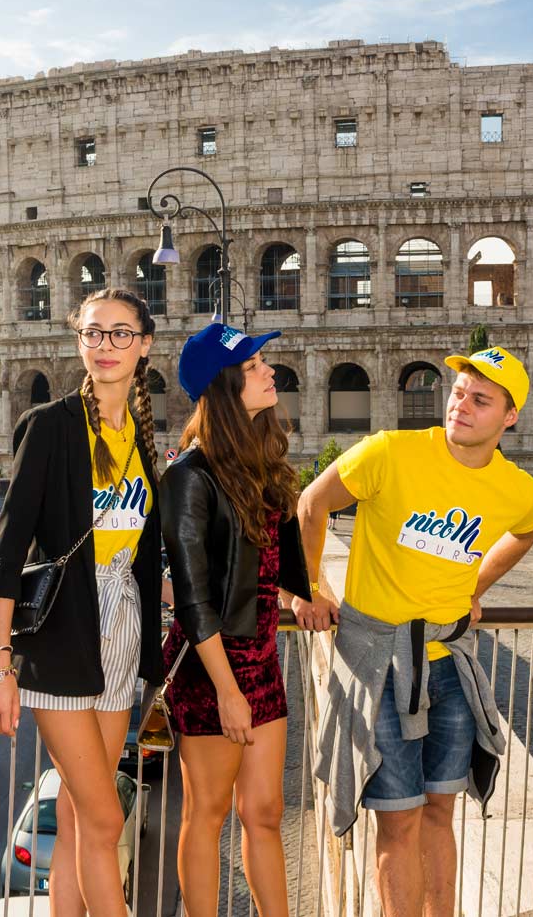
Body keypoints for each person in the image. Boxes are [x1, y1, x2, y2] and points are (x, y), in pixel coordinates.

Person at [302, 346, 533, 917]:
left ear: (509, 417)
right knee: (400, 816)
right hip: (378, 659)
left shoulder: (519, 490)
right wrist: (306, 587)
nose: (461, 405)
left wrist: (475, 588)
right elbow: (310, 503)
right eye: (459, 392)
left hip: (449, 661)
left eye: (481, 399)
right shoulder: (391, 451)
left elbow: (525, 533)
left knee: (441, 810)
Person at [0, 287, 165, 917]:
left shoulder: (140, 434)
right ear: (77, 339)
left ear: (144, 345)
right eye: (93, 332)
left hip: (122, 631)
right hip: (60, 635)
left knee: (83, 817)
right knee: (106, 817)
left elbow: (139, 551)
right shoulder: (51, 427)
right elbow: (7, 550)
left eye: (119, 333)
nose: (104, 346)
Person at [160, 322, 314, 917]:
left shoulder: (264, 462)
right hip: (210, 667)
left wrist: (304, 595)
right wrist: (226, 690)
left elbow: (275, 555)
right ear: (222, 387)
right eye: (252, 366)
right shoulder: (188, 476)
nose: (268, 371)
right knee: (209, 813)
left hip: (263, 658)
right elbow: (194, 598)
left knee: (266, 812)